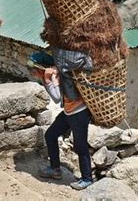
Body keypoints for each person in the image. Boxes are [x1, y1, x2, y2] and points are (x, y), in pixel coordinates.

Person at [29, 51, 94, 190]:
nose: (32, 73)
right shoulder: (55, 71)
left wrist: (47, 80)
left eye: (34, 70)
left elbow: (57, 98)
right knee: (50, 135)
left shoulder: (55, 74)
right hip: (69, 112)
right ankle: (55, 169)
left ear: (41, 68)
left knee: (80, 146)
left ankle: (87, 179)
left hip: (79, 113)